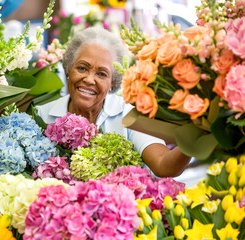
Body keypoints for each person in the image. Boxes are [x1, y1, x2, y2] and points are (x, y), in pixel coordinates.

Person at [37, 27, 191, 177]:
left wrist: (195, 134)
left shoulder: (130, 116)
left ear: (113, 82)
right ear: (69, 69)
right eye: (82, 68)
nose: (89, 80)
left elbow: (164, 166)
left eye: (102, 74)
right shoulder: (41, 115)